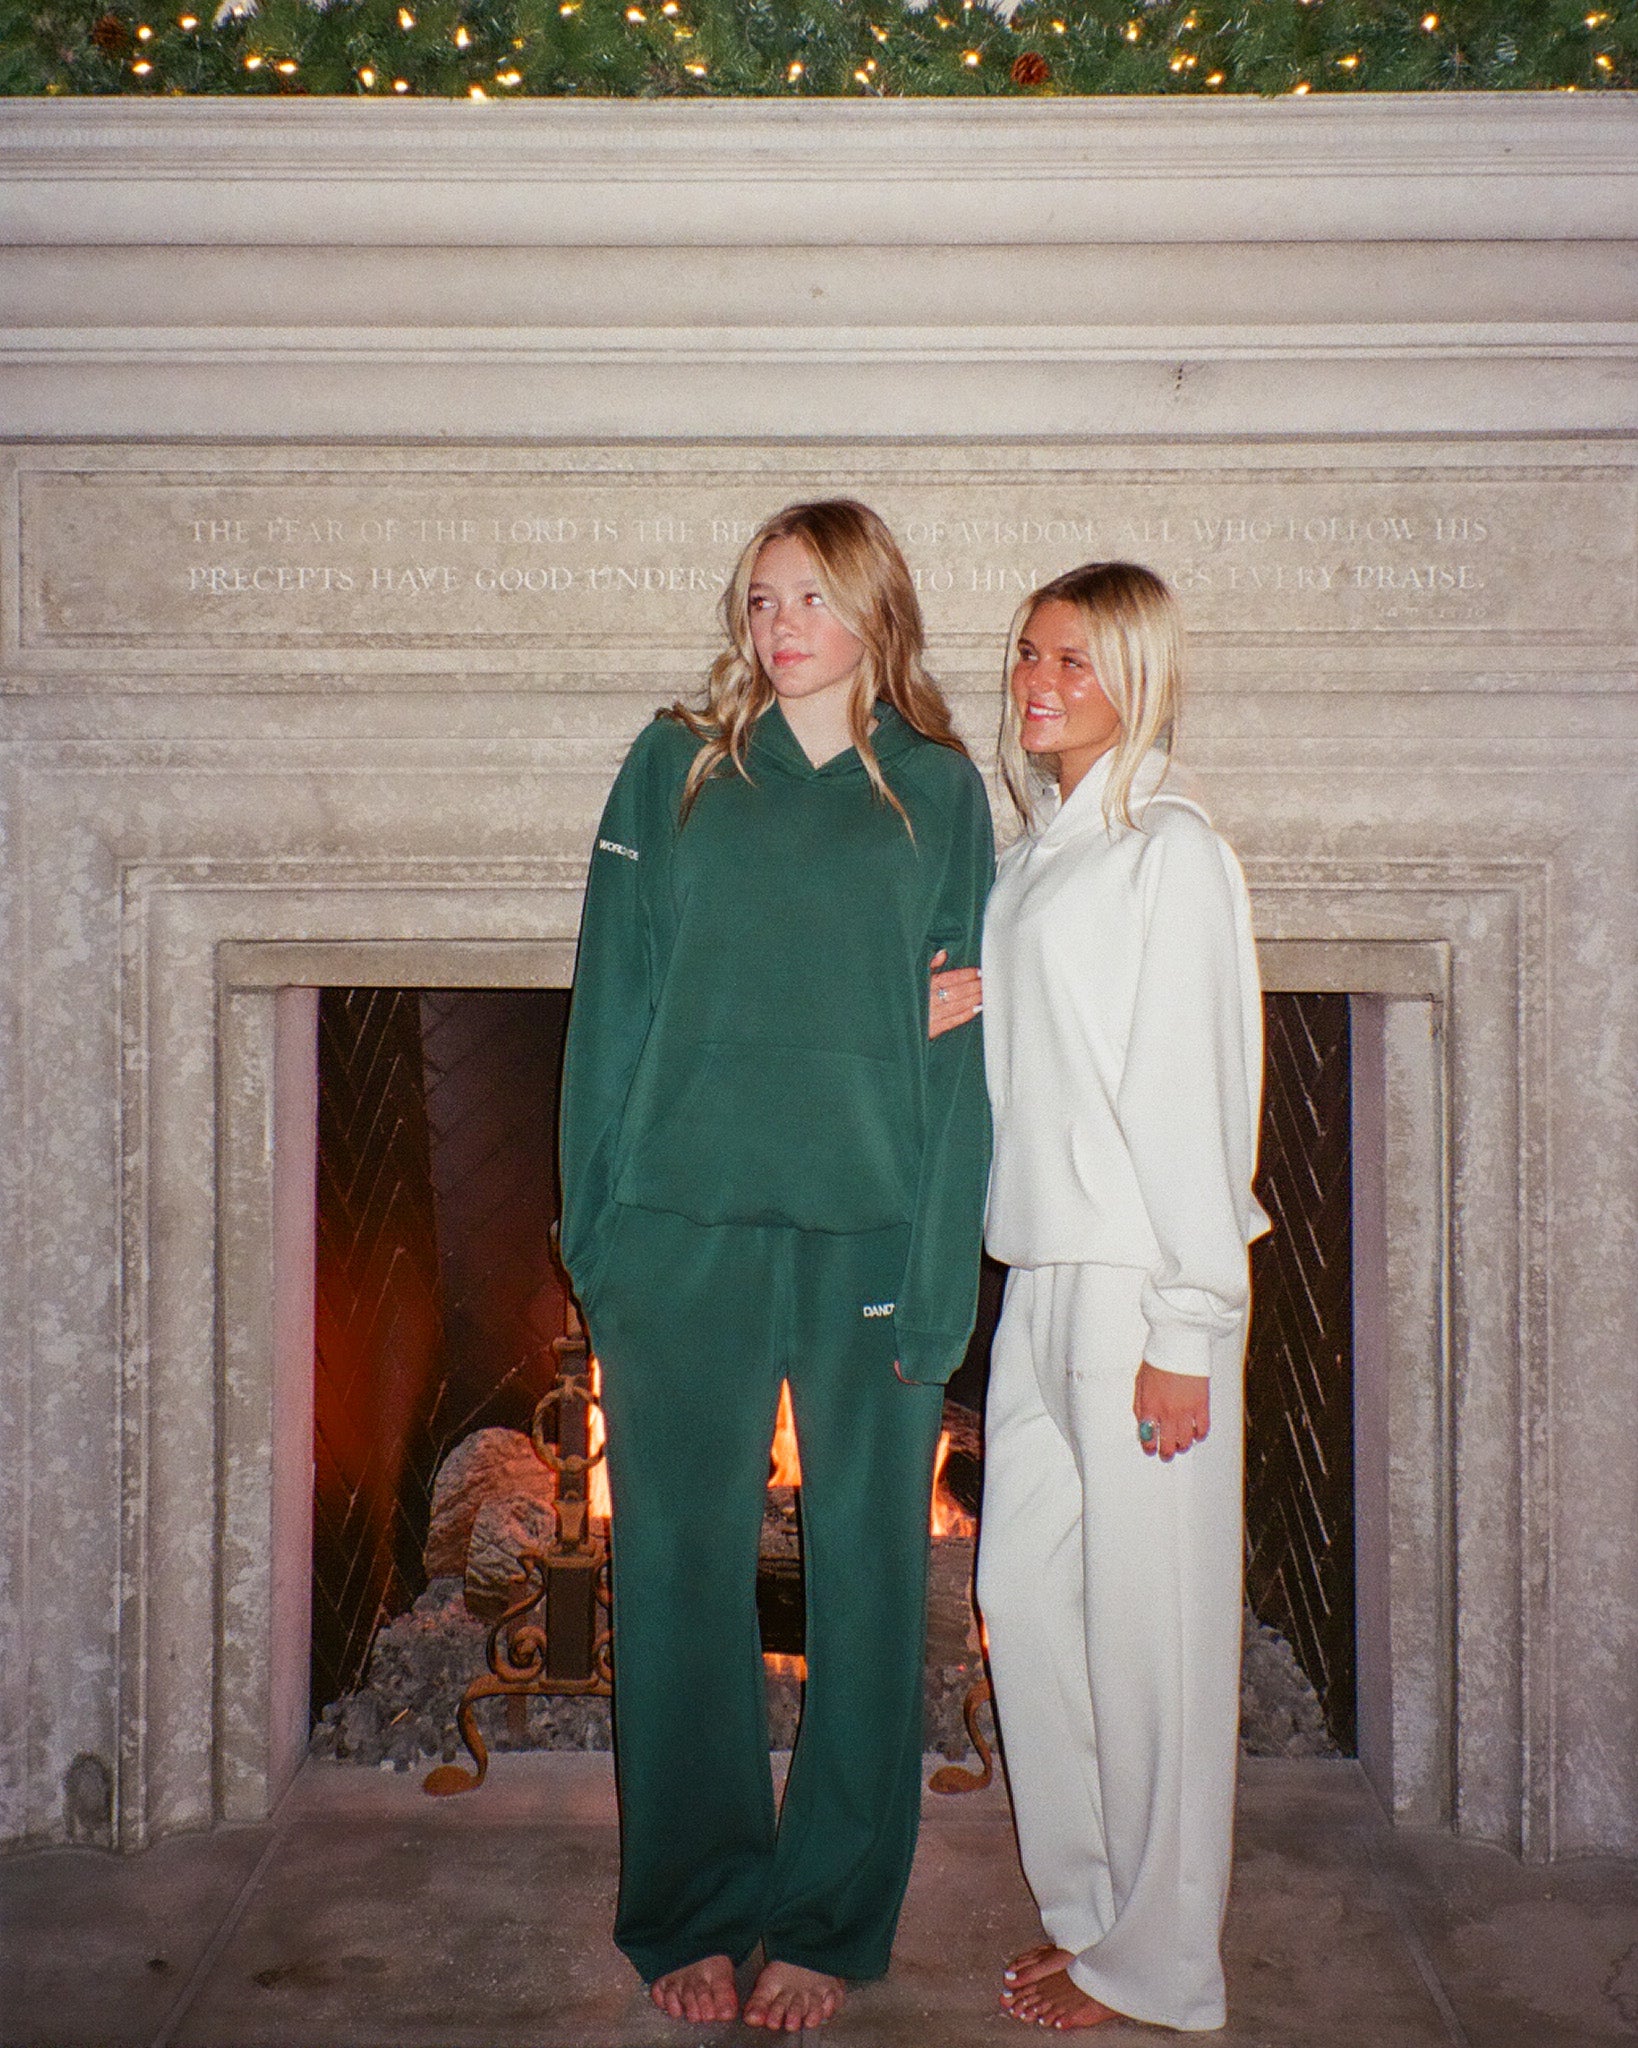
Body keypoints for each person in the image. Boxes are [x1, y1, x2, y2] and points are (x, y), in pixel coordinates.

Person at [557, 500, 994, 2032]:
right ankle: (687, 1908)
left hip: (869, 1232)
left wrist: (944, 1270)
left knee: (873, 1581)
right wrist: (591, 1228)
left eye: (812, 596)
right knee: (673, 1574)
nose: (780, 625)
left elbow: (963, 1052)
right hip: (681, 1233)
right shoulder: (671, 768)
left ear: (874, 612)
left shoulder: (939, 797)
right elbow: (610, 994)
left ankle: (824, 1918)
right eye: (759, 600)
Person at [934, 561, 1266, 2031]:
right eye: (1024, 652)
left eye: (1072, 653)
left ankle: (1164, 1969)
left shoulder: (1167, 848)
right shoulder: (1046, 850)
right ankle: (1088, 1914)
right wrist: (982, 993)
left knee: (1153, 1643)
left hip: (1143, 1288)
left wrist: (1190, 1328)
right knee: (1025, 1597)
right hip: (1041, 1277)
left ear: (1135, 670)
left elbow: (1192, 1092)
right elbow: (1072, 1019)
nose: (1035, 677)